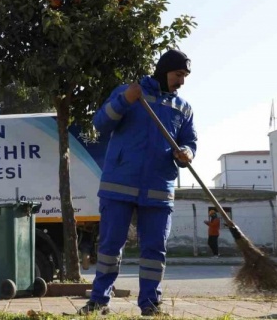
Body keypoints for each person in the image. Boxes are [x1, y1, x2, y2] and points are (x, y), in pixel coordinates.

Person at [78, 49, 197, 317]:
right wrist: (124, 101)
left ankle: (150, 305)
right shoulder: (130, 93)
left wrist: (187, 153)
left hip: (159, 188)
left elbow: (190, 141)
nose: (182, 81)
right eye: (178, 74)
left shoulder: (183, 108)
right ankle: (98, 301)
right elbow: (100, 123)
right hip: (119, 184)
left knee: (155, 250)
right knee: (109, 248)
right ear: (164, 70)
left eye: (185, 76)